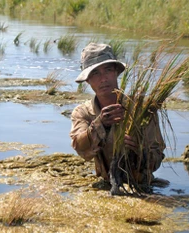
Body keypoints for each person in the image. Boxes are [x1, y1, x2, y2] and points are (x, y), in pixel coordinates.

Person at [69, 43, 165, 192]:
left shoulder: (142, 109)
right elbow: (81, 148)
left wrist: (140, 151)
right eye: (95, 73)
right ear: (87, 80)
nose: (103, 79)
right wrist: (100, 124)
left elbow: (157, 158)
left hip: (144, 188)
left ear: (116, 72)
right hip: (106, 188)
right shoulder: (83, 113)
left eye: (107, 70)